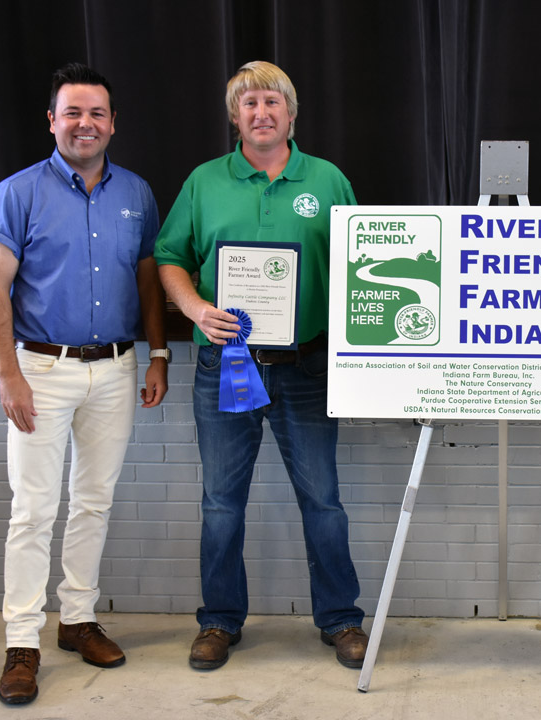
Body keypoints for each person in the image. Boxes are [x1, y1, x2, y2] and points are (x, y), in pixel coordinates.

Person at [155, 61, 367, 670]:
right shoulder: (204, 182)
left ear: (291, 114)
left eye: (272, 101)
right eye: (248, 103)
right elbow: (169, 255)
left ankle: (341, 619)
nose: (261, 112)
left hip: (307, 367)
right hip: (225, 365)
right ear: (234, 117)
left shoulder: (327, 180)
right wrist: (195, 308)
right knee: (221, 502)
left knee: (323, 500)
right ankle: (219, 620)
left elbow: (362, 263)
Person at [0, 62, 169, 705]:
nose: (84, 124)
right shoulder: (18, 192)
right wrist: (9, 374)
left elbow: (147, 281)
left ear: (113, 123)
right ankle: (22, 643)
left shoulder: (136, 193)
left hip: (115, 369)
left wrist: (158, 355)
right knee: (33, 510)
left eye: (96, 113)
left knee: (94, 501)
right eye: (72, 112)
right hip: (41, 370)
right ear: (52, 120)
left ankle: (77, 621)